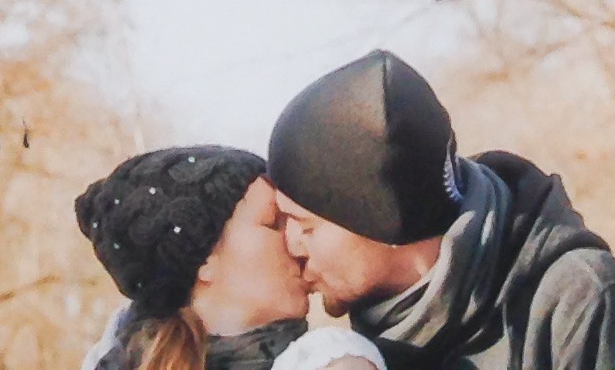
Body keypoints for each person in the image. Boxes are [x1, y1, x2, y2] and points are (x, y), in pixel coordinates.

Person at [264, 52, 615, 370]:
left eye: (305, 225)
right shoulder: (350, 357)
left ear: (382, 222)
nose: (291, 244)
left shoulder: (587, 308)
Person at [75, 145, 388, 370]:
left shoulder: (330, 361)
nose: (296, 243)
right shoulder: (118, 360)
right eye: (273, 223)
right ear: (204, 260)